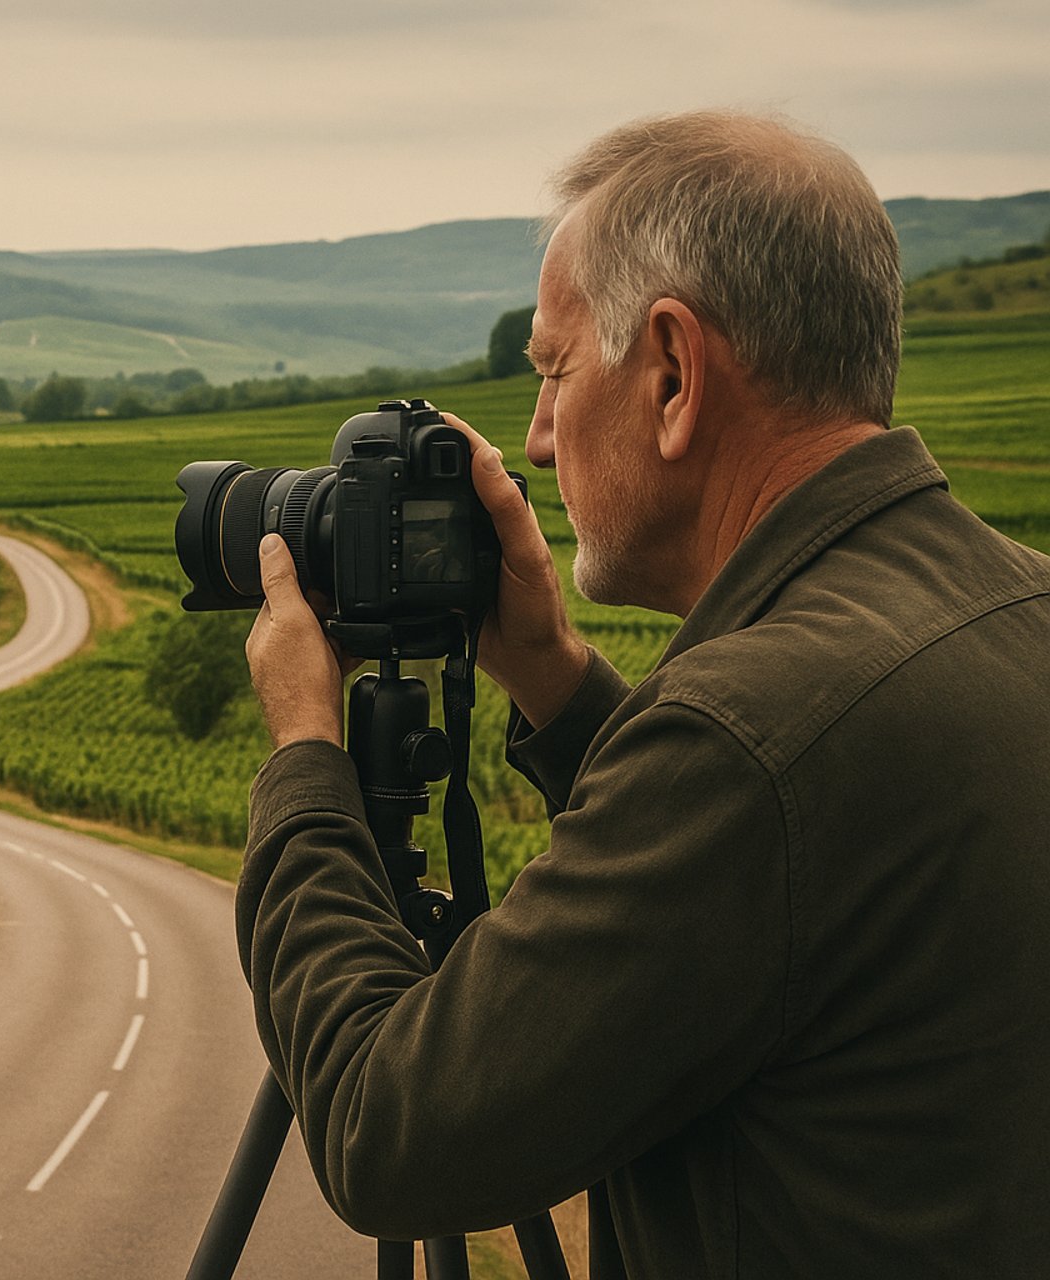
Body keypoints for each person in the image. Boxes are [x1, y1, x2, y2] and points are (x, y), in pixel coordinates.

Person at [236, 110, 1050, 1277]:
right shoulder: (1015, 608)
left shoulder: (747, 737)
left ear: (672, 369)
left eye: (556, 370)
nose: (541, 437)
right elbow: (789, 877)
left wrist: (306, 759)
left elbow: (386, 1131)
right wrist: (553, 677)